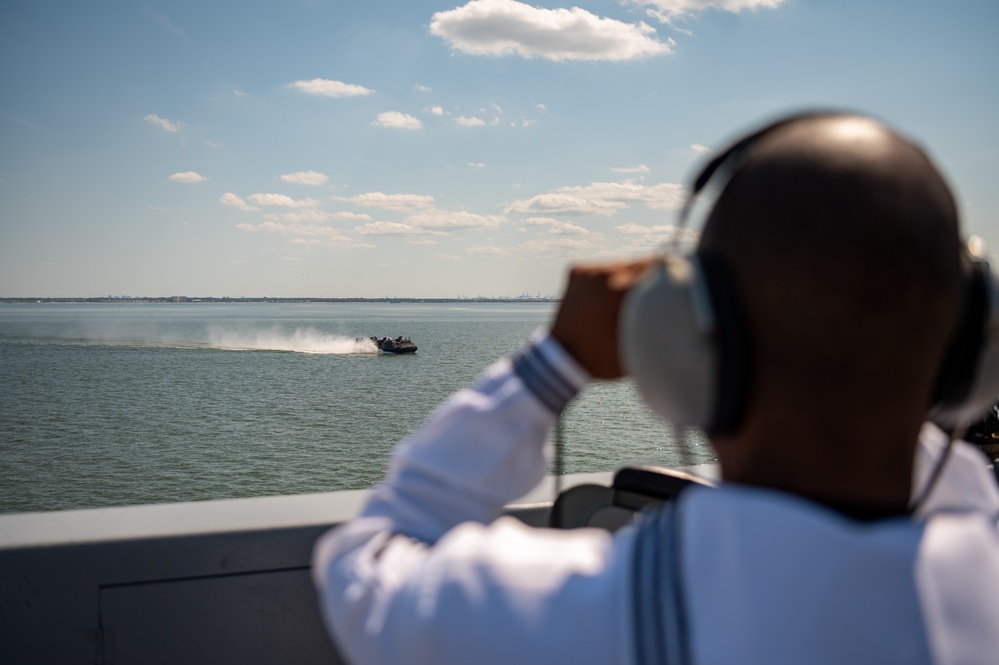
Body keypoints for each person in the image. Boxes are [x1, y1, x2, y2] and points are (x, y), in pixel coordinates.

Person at [312, 112, 999, 664]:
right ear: (966, 360)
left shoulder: (588, 615)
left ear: (684, 346)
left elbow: (363, 561)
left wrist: (553, 362)